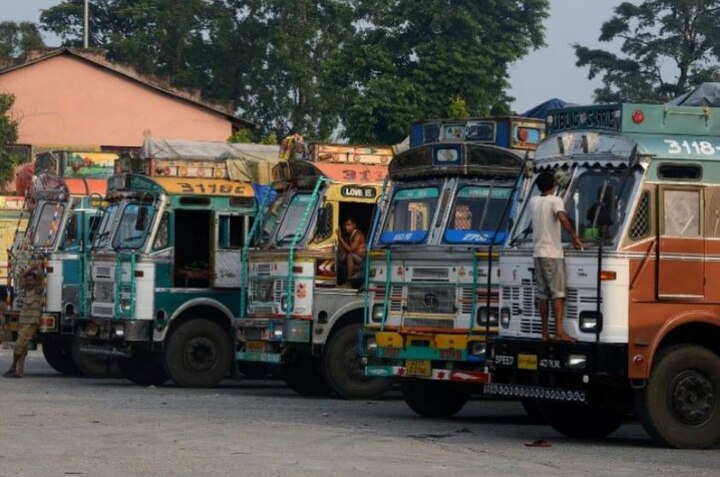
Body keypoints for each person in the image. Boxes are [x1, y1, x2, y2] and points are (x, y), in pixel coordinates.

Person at [528, 171, 582, 342]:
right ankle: (559, 331)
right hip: (552, 253)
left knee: (542, 295)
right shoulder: (555, 200)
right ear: (552, 185)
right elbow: (562, 218)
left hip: (538, 253)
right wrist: (574, 238)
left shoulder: (533, 201)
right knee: (558, 294)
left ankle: (545, 333)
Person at [3, 264, 44, 378]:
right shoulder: (27, 290)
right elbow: (22, 276)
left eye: (31, 280)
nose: (29, 282)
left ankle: (13, 367)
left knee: (18, 345)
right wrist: (31, 268)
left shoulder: (38, 290)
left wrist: (38, 265)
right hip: (23, 322)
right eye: (28, 280)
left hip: (31, 322)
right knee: (23, 347)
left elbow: (40, 275)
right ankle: (19, 371)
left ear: (35, 282)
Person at [336, 218, 366, 285]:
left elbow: (351, 249)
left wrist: (340, 239)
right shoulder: (349, 235)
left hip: (361, 260)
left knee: (350, 256)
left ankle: (348, 282)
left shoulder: (357, 234)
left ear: (354, 225)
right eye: (346, 225)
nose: (347, 227)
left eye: (349, 225)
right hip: (356, 257)